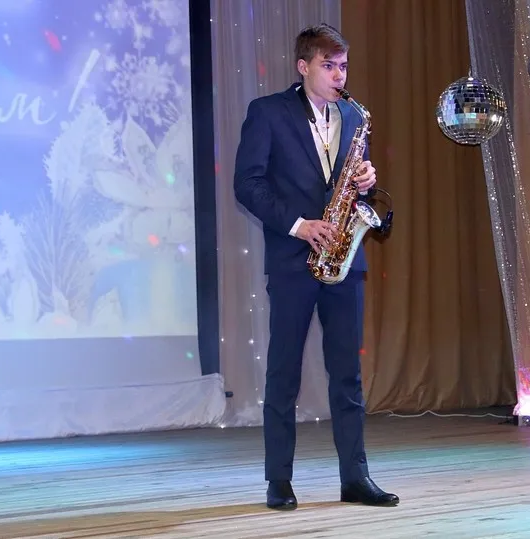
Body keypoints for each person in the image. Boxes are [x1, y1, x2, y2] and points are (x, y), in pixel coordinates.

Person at [233, 23, 399, 511]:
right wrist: (299, 225)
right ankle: (279, 481)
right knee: (283, 374)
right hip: (293, 261)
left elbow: (352, 187)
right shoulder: (267, 112)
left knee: (347, 375)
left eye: (343, 66)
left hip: (344, 260)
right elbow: (247, 184)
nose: (339, 76)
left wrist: (367, 183)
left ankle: (356, 478)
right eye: (329, 66)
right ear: (303, 66)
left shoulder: (352, 115)